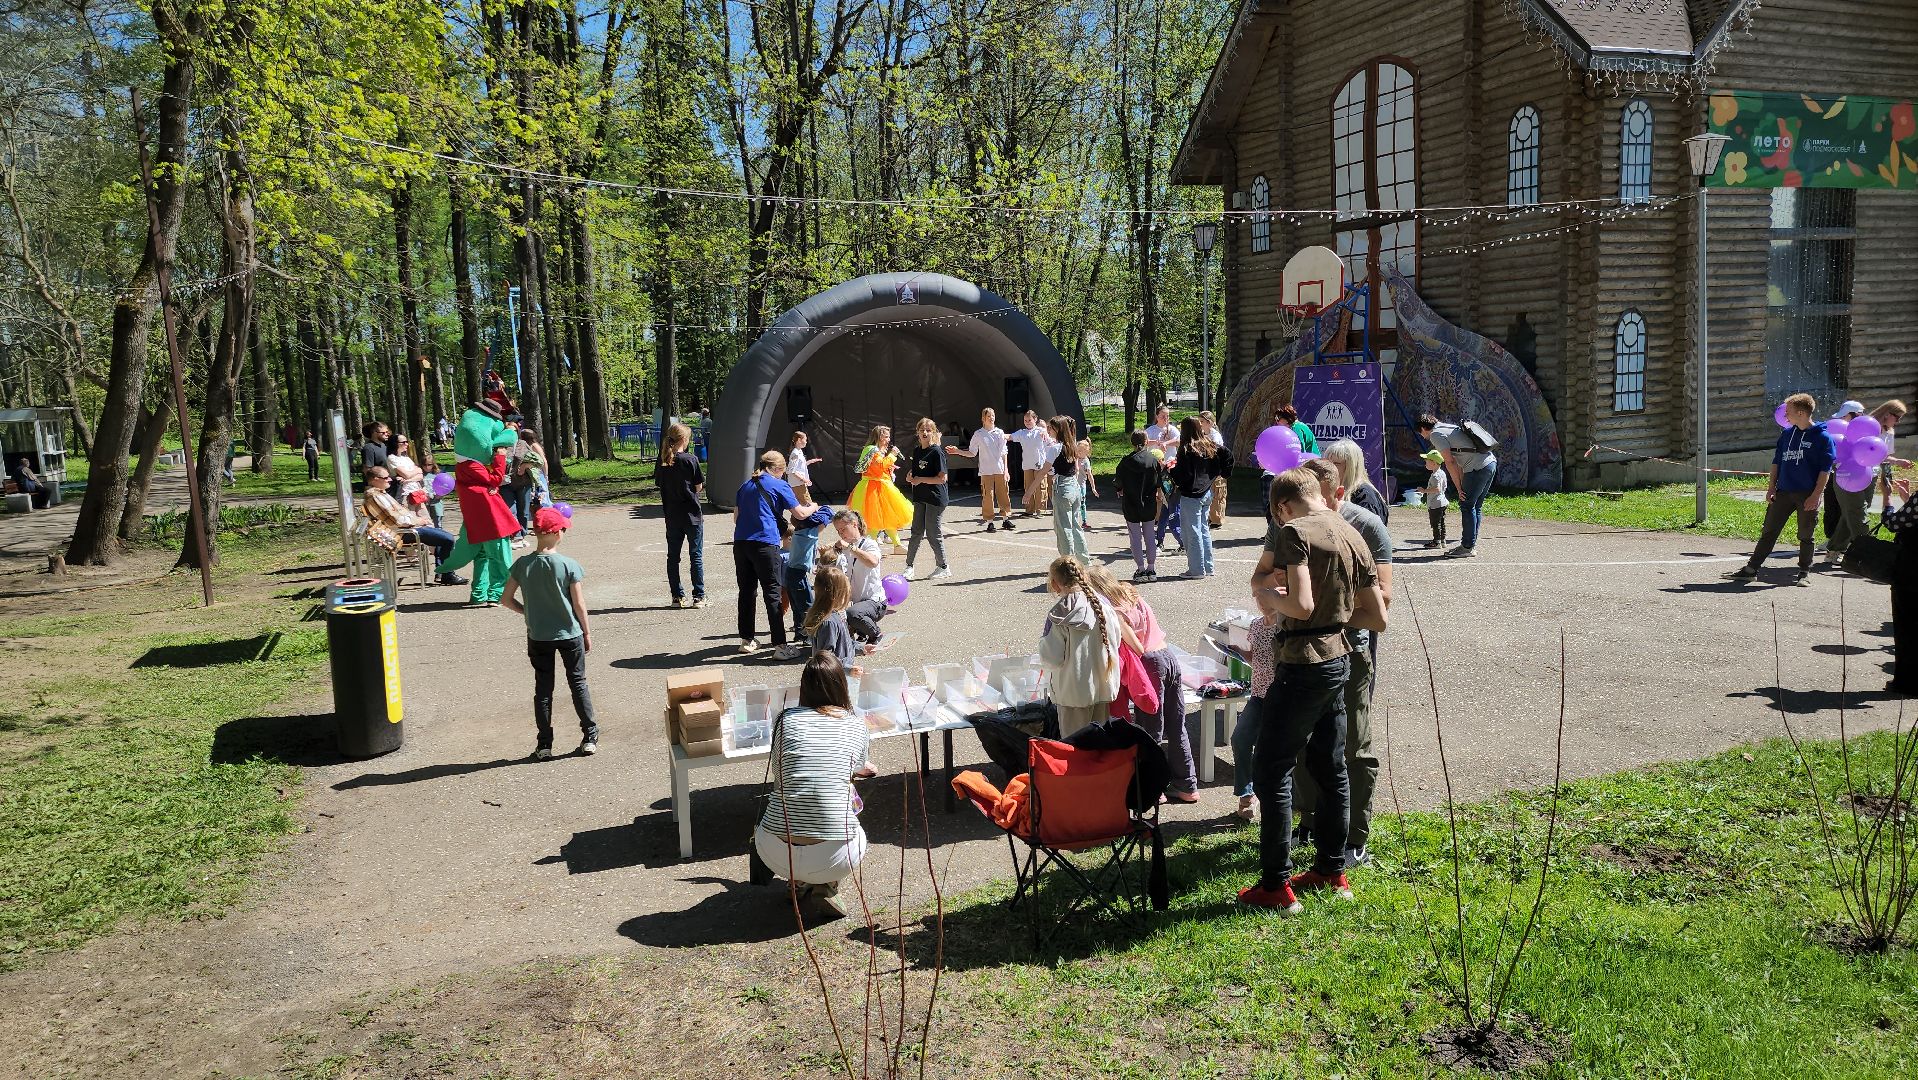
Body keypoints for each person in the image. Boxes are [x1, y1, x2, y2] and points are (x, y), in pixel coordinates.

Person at [1238, 465, 1387, 915]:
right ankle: (1329, 869)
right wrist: (1334, 619)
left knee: (1271, 768)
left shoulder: (1293, 532)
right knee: (1330, 765)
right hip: (1340, 660)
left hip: (1302, 665)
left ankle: (1276, 886)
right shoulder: (1351, 531)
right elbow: (1377, 617)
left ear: (1283, 507)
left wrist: (1269, 600)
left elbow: (1299, 605)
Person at [1293, 458, 1393, 868]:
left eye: (1317, 499)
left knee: (1353, 744)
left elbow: (1383, 600)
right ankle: (1312, 823)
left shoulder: (1366, 527)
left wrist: (1319, 611)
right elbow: (1266, 579)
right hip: (1300, 653)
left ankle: (1353, 836)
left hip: (1350, 652)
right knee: (1304, 742)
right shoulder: (1292, 522)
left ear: (1337, 493)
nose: (1309, 510)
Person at [754, 652, 872, 917]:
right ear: (842, 686)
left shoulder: (785, 719)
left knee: (791, 795)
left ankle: (798, 881)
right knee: (850, 806)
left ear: (804, 687)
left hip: (774, 852)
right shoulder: (856, 724)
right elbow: (857, 768)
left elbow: (780, 772)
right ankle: (827, 885)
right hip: (834, 857)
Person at [1087, 564, 1196, 802]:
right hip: (1168, 657)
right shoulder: (1131, 593)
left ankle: (1154, 789)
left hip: (1149, 664)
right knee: (1177, 726)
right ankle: (1187, 786)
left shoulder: (1112, 609)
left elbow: (1136, 647)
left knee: (1150, 731)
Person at [501, 506, 597, 760]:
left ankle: (544, 744)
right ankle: (589, 736)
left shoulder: (522, 564)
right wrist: (586, 632)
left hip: (539, 635)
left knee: (543, 689)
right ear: (557, 533)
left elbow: (506, 599)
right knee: (578, 683)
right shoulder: (568, 565)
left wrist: (528, 613)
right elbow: (579, 604)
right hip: (569, 633)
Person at [1726, 393, 1835, 586]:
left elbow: (1824, 470)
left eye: (1789, 413)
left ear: (1801, 413)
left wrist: (1816, 495)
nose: (1785, 417)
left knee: (1805, 535)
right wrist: (1771, 488)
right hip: (1783, 492)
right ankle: (1750, 570)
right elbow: (1776, 462)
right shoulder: (1786, 434)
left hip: (1807, 495)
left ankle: (1803, 572)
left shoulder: (1823, 437)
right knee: (1769, 531)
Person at [1037, 556, 1122, 736]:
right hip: (1103, 687)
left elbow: (1051, 658)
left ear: (1054, 583)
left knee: (1075, 749)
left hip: (1072, 694)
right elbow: (1117, 640)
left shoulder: (1059, 613)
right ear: (1083, 575)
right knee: (1099, 747)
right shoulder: (1102, 604)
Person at [734, 451, 800, 657]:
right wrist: (815, 507)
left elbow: (736, 518)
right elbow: (799, 513)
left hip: (742, 543)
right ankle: (780, 645)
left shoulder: (745, 485)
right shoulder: (779, 484)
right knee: (772, 592)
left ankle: (747, 640)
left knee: (746, 592)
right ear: (778, 469)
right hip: (765, 543)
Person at [360, 466, 466, 587]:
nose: (390, 479)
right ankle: (446, 574)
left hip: (406, 528)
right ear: (375, 479)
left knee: (441, 536)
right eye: (386, 477)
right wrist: (419, 521)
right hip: (403, 532)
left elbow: (399, 514)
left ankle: (443, 572)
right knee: (447, 539)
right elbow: (399, 520)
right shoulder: (376, 496)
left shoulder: (380, 494)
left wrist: (418, 519)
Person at [1230, 585, 1282, 821]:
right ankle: (1246, 793)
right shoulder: (1257, 626)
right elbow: (1255, 656)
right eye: (1258, 599)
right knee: (1240, 739)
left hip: (1280, 698)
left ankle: (1280, 802)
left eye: (1264, 598)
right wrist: (1239, 651)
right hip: (1258, 695)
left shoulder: (1285, 627)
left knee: (1274, 751)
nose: (1260, 603)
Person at [1418, 413, 1496, 559]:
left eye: (1421, 433)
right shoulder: (1447, 427)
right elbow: (1459, 461)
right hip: (1490, 463)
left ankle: (1466, 547)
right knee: (1475, 506)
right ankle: (1470, 544)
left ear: (1423, 428)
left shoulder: (1435, 434)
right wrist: (1460, 485)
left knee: (1467, 505)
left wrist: (1459, 488)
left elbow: (1450, 462)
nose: (1422, 436)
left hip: (1478, 468)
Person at [1170, 416, 1232, 578]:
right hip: (1206, 493)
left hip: (1191, 495)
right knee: (1203, 530)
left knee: (1192, 533)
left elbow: (1183, 476)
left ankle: (1196, 570)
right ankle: (1208, 567)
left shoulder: (1186, 450)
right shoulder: (1209, 445)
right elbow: (1228, 455)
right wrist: (1221, 473)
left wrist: (1170, 470)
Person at [654, 421, 705, 609]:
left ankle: (677, 596)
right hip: (691, 514)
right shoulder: (690, 460)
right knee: (695, 556)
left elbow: (660, 484)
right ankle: (699, 596)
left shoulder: (663, 461)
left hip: (672, 515)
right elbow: (699, 486)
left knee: (673, 557)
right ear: (684, 439)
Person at [825, 509, 888, 647]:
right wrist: (825, 556)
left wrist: (851, 548)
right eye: (838, 531)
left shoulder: (869, 544)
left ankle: (876, 633)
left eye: (843, 529)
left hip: (875, 602)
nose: (841, 534)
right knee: (830, 613)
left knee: (852, 613)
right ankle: (859, 631)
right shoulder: (843, 549)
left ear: (854, 524)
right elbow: (830, 573)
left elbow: (873, 562)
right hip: (855, 602)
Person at [945, 408, 1014, 532]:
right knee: (988, 496)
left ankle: (1005, 519)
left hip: (1000, 469)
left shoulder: (1000, 432)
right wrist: (958, 451)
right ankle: (990, 522)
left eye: (993, 415)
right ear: (983, 418)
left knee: (1003, 494)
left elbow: (1004, 453)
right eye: (988, 416)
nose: (991, 418)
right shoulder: (979, 434)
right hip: (986, 470)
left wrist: (1006, 470)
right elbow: (972, 452)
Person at [849, 425, 912, 554]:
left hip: (882, 486)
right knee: (874, 519)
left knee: (887, 517)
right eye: (886, 436)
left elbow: (880, 467)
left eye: (889, 436)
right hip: (873, 487)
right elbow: (880, 466)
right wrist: (893, 455)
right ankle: (872, 547)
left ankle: (897, 545)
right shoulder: (871, 449)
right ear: (878, 437)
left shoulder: (877, 450)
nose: (888, 439)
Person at [903, 417, 952, 581]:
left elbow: (942, 478)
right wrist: (910, 477)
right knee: (916, 532)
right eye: (922, 430)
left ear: (933, 433)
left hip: (935, 498)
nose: (925, 432)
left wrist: (921, 480)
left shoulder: (937, 451)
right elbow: (916, 473)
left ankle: (943, 567)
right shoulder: (917, 451)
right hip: (920, 496)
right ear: (917, 432)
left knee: (932, 533)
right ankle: (909, 566)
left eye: (928, 430)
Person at [1115, 430, 1166, 582]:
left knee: (1135, 537)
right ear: (1146, 441)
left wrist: (1120, 489)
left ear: (1132, 443)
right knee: (1150, 535)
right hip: (1149, 502)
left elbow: (1118, 482)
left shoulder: (1125, 461)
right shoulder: (1153, 460)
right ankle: (1151, 569)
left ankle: (1141, 569)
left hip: (1131, 502)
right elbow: (1159, 481)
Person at [783, 496, 834, 647]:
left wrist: (809, 510)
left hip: (792, 573)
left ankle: (800, 633)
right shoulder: (808, 532)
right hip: (797, 575)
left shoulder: (800, 532)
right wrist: (814, 507)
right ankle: (811, 636)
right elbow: (828, 514)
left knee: (797, 606)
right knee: (808, 607)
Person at [1886, 476, 1917, 697]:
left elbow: (1893, 523)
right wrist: (1908, 499)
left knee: (1907, 628)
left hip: (1912, 570)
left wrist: (1887, 498)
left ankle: (1907, 683)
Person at [1048, 415, 1091, 561]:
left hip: (1063, 487)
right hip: (1074, 486)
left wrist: (1029, 491)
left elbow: (1043, 471)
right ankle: (1084, 561)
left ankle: (1069, 563)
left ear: (1058, 429)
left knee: (1064, 528)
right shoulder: (1072, 444)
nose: (1048, 430)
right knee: (1075, 527)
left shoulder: (1056, 447)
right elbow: (1076, 469)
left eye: (1051, 427)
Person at [803, 565, 860, 672]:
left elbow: (845, 644)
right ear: (837, 594)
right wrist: (848, 669)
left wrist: (862, 648)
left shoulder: (837, 614)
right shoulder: (829, 622)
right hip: (834, 680)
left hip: (840, 675)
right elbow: (826, 660)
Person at [1322, 439, 1388, 525]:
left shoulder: (1365, 497)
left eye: (1336, 463)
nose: (1329, 468)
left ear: (1351, 466)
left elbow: (1367, 533)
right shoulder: (1335, 490)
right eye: (1327, 463)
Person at [1010, 410, 1055, 518]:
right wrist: (998, 434)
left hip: (1040, 463)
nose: (1027, 422)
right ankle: (1029, 510)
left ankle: (1041, 510)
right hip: (1027, 464)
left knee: (1041, 486)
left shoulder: (1041, 431)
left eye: (1029, 420)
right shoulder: (1022, 432)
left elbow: (1051, 443)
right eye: (1025, 420)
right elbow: (1010, 437)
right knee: (1028, 486)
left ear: (1035, 419)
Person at [1201, 411, 1230, 528]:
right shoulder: (1201, 434)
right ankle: (1209, 518)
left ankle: (1217, 520)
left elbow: (1215, 452)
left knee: (1218, 495)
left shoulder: (1215, 436)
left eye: (1202, 422)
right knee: (1208, 494)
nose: (1200, 424)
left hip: (1217, 469)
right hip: (1205, 469)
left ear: (1209, 423)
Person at [1420, 450, 1450, 549]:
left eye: (1427, 461)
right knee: (1441, 522)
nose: (1425, 464)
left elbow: (1437, 489)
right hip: (1442, 502)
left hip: (1435, 503)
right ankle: (1442, 540)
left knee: (1435, 523)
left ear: (1433, 463)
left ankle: (1436, 542)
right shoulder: (1442, 473)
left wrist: (1424, 490)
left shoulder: (1436, 475)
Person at [786, 431, 821, 504]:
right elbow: (792, 471)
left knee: (801, 505)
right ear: (799, 440)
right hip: (798, 485)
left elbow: (800, 466)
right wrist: (805, 480)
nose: (806, 442)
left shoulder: (799, 451)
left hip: (799, 484)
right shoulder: (795, 453)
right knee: (807, 505)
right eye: (805, 440)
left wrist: (811, 461)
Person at [387, 435, 425, 502]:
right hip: (405, 494)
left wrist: (408, 480)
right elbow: (407, 475)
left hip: (417, 492)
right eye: (403, 442)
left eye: (407, 442)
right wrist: (416, 471)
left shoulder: (406, 458)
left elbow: (420, 475)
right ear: (395, 443)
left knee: (425, 513)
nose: (406, 444)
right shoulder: (392, 458)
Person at [1075, 439, 1096, 529]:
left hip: (1081, 485)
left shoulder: (1086, 461)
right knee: (1074, 503)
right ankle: (1074, 521)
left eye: (1080, 451)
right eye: (1077, 450)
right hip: (1073, 485)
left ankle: (1084, 521)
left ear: (1086, 452)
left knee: (1082, 503)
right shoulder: (1074, 459)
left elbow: (1090, 475)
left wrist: (1093, 488)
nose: (1078, 452)